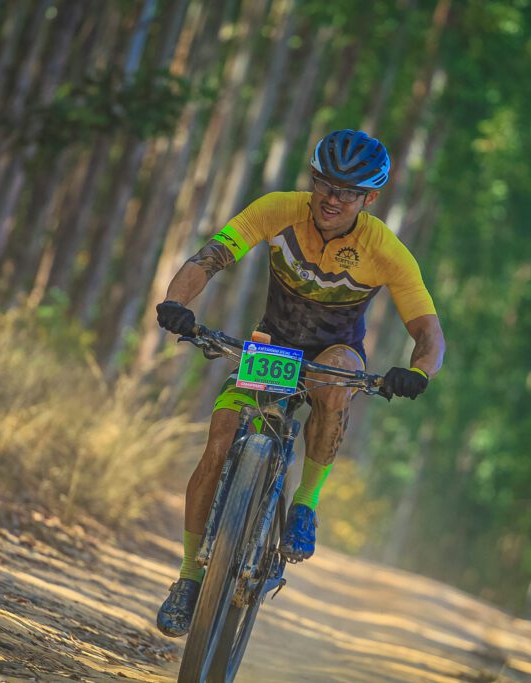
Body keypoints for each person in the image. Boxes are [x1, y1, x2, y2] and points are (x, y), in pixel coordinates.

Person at [154, 129, 446, 637]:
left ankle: (305, 505)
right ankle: (187, 578)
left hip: (335, 357)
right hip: (273, 349)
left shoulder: (386, 250)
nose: (333, 198)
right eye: (325, 184)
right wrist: (178, 303)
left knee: (338, 377)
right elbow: (210, 257)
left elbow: (429, 333)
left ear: (369, 198)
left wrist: (418, 371)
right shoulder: (277, 209)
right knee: (219, 442)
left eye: (348, 191)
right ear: (312, 180)